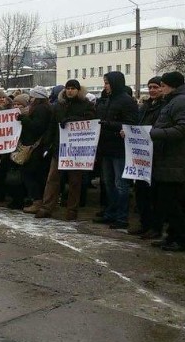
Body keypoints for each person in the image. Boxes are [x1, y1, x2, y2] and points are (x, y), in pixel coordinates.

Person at [148, 72, 185, 252]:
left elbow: (184, 128)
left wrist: (154, 134)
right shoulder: (175, 100)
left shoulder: (182, 101)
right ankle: (172, 236)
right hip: (169, 160)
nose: (160, 89)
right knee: (166, 202)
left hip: (175, 160)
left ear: (171, 86)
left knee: (172, 203)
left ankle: (183, 240)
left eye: (162, 85)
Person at [37, 80, 96, 219]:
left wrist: (72, 119)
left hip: (77, 150)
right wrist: (47, 144)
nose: (70, 91)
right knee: (53, 179)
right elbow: (52, 126)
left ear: (78, 90)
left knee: (75, 181)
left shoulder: (86, 105)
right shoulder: (59, 106)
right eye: (68, 88)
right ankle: (47, 207)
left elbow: (91, 120)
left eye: (73, 88)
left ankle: (72, 210)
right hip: (59, 148)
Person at [93, 71, 138, 230]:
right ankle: (110, 213)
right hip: (106, 148)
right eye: (104, 82)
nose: (105, 86)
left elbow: (131, 124)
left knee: (121, 184)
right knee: (108, 183)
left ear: (115, 83)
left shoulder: (127, 101)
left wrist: (108, 124)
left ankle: (121, 216)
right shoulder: (106, 100)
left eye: (107, 82)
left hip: (120, 148)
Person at [130, 76, 164, 239]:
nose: (152, 90)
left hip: (156, 155)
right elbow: (138, 126)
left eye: (155, 87)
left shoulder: (164, 107)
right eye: (150, 87)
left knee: (155, 195)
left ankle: (155, 227)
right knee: (141, 191)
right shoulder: (145, 106)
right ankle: (144, 223)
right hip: (142, 155)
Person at [18, 89, 52, 213]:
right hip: (39, 147)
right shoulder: (44, 108)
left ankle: (37, 201)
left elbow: (37, 127)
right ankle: (38, 200)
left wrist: (24, 120)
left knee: (30, 174)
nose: (30, 99)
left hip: (36, 148)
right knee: (36, 175)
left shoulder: (41, 109)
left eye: (31, 96)